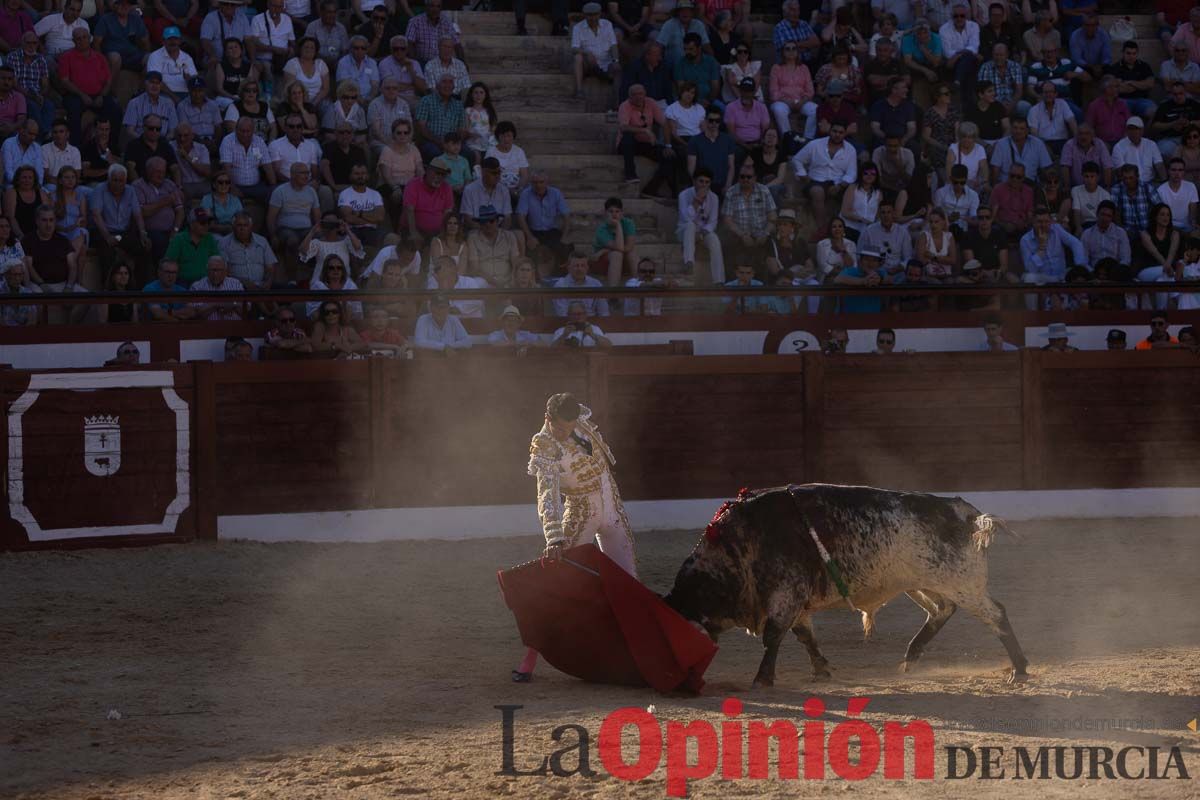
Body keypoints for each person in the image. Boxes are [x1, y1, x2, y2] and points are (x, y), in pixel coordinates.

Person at [513, 391, 634, 684]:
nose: (566, 433)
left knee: (629, 584)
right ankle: (530, 658)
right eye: (561, 429)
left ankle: (633, 657)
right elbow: (548, 495)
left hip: (612, 503)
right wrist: (554, 537)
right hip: (581, 511)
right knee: (560, 584)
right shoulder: (544, 446)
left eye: (570, 427)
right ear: (548, 419)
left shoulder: (580, 418)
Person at [677, 166, 723, 283]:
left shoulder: (714, 198)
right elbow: (686, 218)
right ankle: (689, 262)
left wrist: (702, 234)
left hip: (703, 232)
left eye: (707, 182)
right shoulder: (684, 195)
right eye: (701, 181)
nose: (704, 185)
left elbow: (713, 222)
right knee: (690, 225)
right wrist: (696, 201)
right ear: (694, 181)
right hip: (684, 231)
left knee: (715, 240)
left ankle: (719, 281)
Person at [516, 170, 570, 268]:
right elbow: (521, 216)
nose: (538, 185)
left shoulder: (556, 193)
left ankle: (560, 275)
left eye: (541, 182)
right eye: (535, 182)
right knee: (531, 250)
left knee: (565, 247)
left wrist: (565, 235)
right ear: (531, 183)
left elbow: (566, 215)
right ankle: (535, 277)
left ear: (547, 182)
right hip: (534, 231)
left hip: (552, 230)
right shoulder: (526, 194)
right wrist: (529, 237)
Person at [220, 117, 277, 205]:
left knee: (274, 195)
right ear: (236, 129)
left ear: (253, 130)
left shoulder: (259, 142)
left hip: (256, 186)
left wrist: (274, 186)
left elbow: (268, 166)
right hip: (235, 185)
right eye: (242, 131)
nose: (245, 134)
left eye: (248, 131)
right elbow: (226, 168)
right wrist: (232, 188)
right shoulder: (228, 141)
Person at [573, 2, 620, 106]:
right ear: (584, 15)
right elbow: (574, 48)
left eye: (595, 14)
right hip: (589, 63)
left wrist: (616, 60)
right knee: (578, 57)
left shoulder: (607, 24)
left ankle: (618, 102)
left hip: (606, 62)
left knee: (617, 68)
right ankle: (579, 90)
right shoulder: (578, 27)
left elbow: (613, 44)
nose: (592, 17)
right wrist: (586, 53)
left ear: (599, 14)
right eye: (589, 15)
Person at [6, 31, 53, 136]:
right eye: (28, 43)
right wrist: (31, 95)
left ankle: (45, 132)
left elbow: (45, 83)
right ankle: (40, 134)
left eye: (34, 43)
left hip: (36, 92)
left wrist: (41, 95)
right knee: (32, 105)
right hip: (19, 92)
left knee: (49, 105)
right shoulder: (13, 57)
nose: (32, 46)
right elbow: (13, 82)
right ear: (22, 43)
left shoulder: (41, 59)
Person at [221, 210, 279, 294]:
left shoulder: (262, 241)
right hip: (236, 287)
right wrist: (244, 283)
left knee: (286, 290)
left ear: (251, 226)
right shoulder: (224, 243)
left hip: (261, 285)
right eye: (239, 225)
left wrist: (268, 282)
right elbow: (225, 272)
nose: (242, 228)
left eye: (245, 225)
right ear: (233, 227)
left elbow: (270, 268)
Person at [165, 206, 221, 284]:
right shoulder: (179, 239)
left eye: (208, 223)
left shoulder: (210, 238)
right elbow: (168, 263)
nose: (206, 226)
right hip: (183, 283)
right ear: (191, 224)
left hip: (206, 283)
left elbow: (217, 262)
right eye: (202, 223)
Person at [1104, 40, 1156, 122]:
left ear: (1137, 53)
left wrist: (1131, 83)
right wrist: (1141, 85)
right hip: (1123, 100)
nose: (1131, 56)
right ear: (1123, 53)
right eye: (1128, 53)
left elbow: (1150, 84)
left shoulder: (1144, 66)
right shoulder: (1115, 67)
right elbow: (1113, 89)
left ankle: (1146, 134)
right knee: (1117, 112)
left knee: (1154, 112)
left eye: (1134, 53)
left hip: (1142, 100)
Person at [552, 250, 608, 317]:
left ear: (587, 268)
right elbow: (562, 314)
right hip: (568, 324)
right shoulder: (560, 285)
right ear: (568, 268)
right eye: (576, 266)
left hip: (592, 323)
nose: (580, 269)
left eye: (583, 265)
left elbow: (604, 313)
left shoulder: (596, 284)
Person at [1111, 117, 1165, 185]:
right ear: (1126, 131)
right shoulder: (1118, 147)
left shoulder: (1151, 144)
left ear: (1142, 131)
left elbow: (1159, 165)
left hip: (1150, 182)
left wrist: (1165, 182)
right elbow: (1120, 171)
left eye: (1136, 129)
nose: (1132, 132)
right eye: (1130, 129)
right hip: (1129, 184)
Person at [1081, 200, 1130, 268]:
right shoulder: (1087, 234)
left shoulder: (1121, 233)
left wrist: (1118, 272)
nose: (1104, 218)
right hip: (1094, 272)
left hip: (1115, 271)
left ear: (1112, 218)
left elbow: (1125, 259)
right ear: (1097, 214)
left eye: (1108, 216)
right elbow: (1084, 259)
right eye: (1102, 214)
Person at [1061, 123, 1111, 188]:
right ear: (1076, 135)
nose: (1083, 137)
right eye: (1080, 134)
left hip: (1098, 187)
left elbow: (1107, 167)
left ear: (1093, 135)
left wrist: (1107, 188)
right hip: (1076, 188)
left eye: (1087, 133)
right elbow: (1065, 167)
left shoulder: (1100, 144)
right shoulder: (1069, 145)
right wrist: (1067, 188)